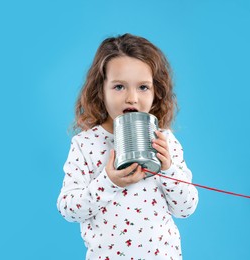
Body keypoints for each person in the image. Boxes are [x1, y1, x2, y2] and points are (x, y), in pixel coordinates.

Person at [56, 33, 199, 260]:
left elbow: (186, 208)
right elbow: (69, 209)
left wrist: (169, 169)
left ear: (156, 92)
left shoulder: (166, 141)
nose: (132, 98)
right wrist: (108, 182)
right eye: (119, 86)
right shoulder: (85, 145)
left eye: (143, 87)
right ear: (100, 90)